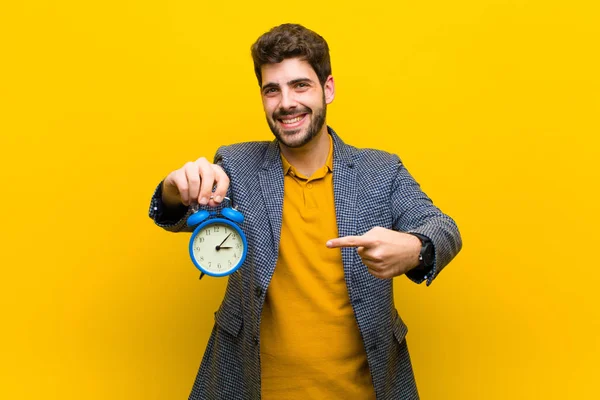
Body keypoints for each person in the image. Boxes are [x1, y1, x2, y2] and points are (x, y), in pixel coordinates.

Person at [149, 23, 462, 400]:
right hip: (250, 388)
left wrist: (414, 248)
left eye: (300, 85)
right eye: (271, 90)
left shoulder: (382, 171)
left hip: (365, 389)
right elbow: (186, 214)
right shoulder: (235, 164)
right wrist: (175, 188)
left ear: (327, 88)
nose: (285, 103)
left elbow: (444, 228)